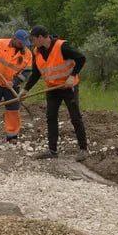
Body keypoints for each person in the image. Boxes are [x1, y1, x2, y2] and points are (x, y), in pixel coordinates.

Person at [23, 26, 88, 159]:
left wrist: (72, 76)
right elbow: (36, 73)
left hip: (68, 88)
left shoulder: (62, 46)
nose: (32, 42)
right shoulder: (37, 51)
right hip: (52, 89)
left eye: (33, 39)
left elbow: (81, 58)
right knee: (51, 117)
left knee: (75, 117)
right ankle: (52, 151)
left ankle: (83, 149)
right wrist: (25, 90)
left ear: (41, 37)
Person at [0, 29, 33, 144]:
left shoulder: (27, 53)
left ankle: (12, 136)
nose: (23, 45)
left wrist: (15, 82)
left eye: (24, 43)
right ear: (14, 39)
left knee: (13, 111)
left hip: (12, 86)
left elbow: (26, 72)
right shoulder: (0, 43)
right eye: (20, 43)